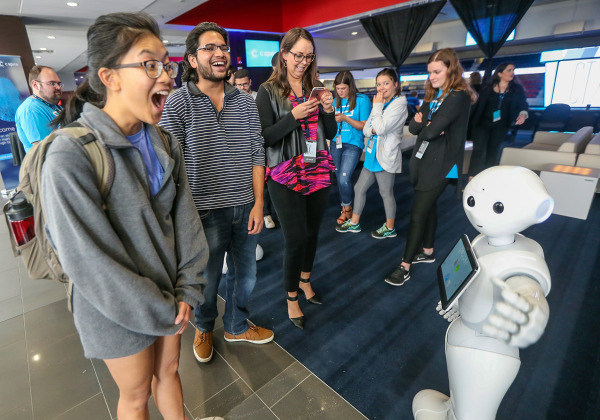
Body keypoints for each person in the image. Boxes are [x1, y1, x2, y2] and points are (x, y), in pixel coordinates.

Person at [41, 12, 208, 419]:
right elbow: (89, 262)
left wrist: (188, 290)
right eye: (150, 64)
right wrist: (161, 308)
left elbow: (185, 218)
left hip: (171, 296)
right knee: (135, 396)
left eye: (165, 64)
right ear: (109, 76)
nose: (166, 76)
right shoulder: (70, 154)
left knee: (168, 372)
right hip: (114, 306)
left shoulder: (164, 140)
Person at [160, 22, 273, 364]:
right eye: (209, 48)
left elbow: (257, 153)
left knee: (246, 274)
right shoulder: (178, 104)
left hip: (244, 205)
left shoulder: (246, 102)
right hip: (203, 211)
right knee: (206, 280)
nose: (220, 53)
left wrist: (258, 203)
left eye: (222, 47)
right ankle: (204, 326)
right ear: (192, 59)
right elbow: (169, 164)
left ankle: (237, 325)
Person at [256, 27, 337, 330]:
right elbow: (264, 137)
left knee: (313, 232)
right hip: (284, 172)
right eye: (298, 55)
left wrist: (328, 111)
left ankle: (305, 281)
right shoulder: (267, 90)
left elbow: (331, 132)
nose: (303, 62)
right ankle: (291, 297)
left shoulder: (315, 86)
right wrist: (294, 116)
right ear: (285, 53)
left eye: (309, 56)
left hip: (317, 167)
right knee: (295, 238)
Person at [385, 48, 475, 286]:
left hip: (443, 164)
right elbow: (414, 130)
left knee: (417, 214)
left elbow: (431, 131)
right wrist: (428, 124)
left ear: (451, 69)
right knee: (429, 206)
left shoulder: (458, 96)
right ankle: (427, 251)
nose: (432, 77)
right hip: (426, 160)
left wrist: (426, 125)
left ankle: (404, 266)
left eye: (437, 72)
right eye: (430, 72)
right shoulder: (433, 96)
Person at [336, 68, 407, 239]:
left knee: (385, 192)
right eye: (378, 84)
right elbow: (368, 129)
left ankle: (390, 227)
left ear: (395, 85)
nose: (381, 88)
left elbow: (380, 128)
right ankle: (354, 223)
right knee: (359, 188)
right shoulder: (382, 103)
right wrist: (374, 126)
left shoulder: (399, 104)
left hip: (385, 156)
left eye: (386, 83)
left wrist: (377, 107)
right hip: (371, 154)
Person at [468, 63, 528, 177]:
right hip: (482, 124)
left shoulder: (517, 89)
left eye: (513, 70)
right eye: (509, 70)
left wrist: (523, 115)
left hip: (500, 126)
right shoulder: (487, 87)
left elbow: (523, 104)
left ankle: (487, 179)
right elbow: (476, 104)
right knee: (478, 151)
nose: (512, 73)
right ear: (500, 73)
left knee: (493, 153)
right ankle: (472, 179)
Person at [330, 70, 371, 225]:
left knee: (344, 178)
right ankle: (346, 208)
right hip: (336, 143)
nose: (340, 92)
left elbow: (364, 126)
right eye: (338, 89)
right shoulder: (335, 102)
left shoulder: (362, 100)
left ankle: (346, 208)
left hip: (353, 144)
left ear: (350, 86)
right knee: (339, 179)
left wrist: (346, 118)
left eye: (343, 89)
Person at [15, 65, 63, 152]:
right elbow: (43, 151)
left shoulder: (53, 105)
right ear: (35, 85)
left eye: (59, 84)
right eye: (52, 83)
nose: (58, 87)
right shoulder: (31, 110)